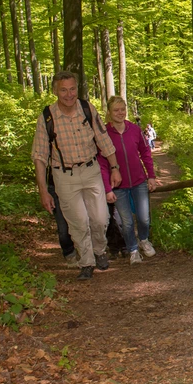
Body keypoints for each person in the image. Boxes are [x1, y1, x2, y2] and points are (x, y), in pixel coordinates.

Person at [32, 71, 122, 281]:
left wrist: (114, 167)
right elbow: (39, 156)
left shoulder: (87, 109)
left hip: (91, 171)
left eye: (72, 89)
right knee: (78, 222)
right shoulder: (47, 117)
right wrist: (43, 190)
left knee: (100, 219)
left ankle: (100, 250)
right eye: (63, 89)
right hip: (64, 176)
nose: (69, 94)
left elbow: (103, 138)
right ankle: (87, 262)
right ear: (55, 91)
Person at [97, 96, 158, 264]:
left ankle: (144, 240)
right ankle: (132, 249)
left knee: (144, 218)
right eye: (115, 110)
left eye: (122, 109)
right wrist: (107, 189)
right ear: (109, 112)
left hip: (139, 181)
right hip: (118, 186)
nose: (120, 113)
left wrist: (151, 176)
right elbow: (102, 164)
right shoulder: (104, 134)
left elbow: (145, 153)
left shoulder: (135, 130)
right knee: (126, 222)